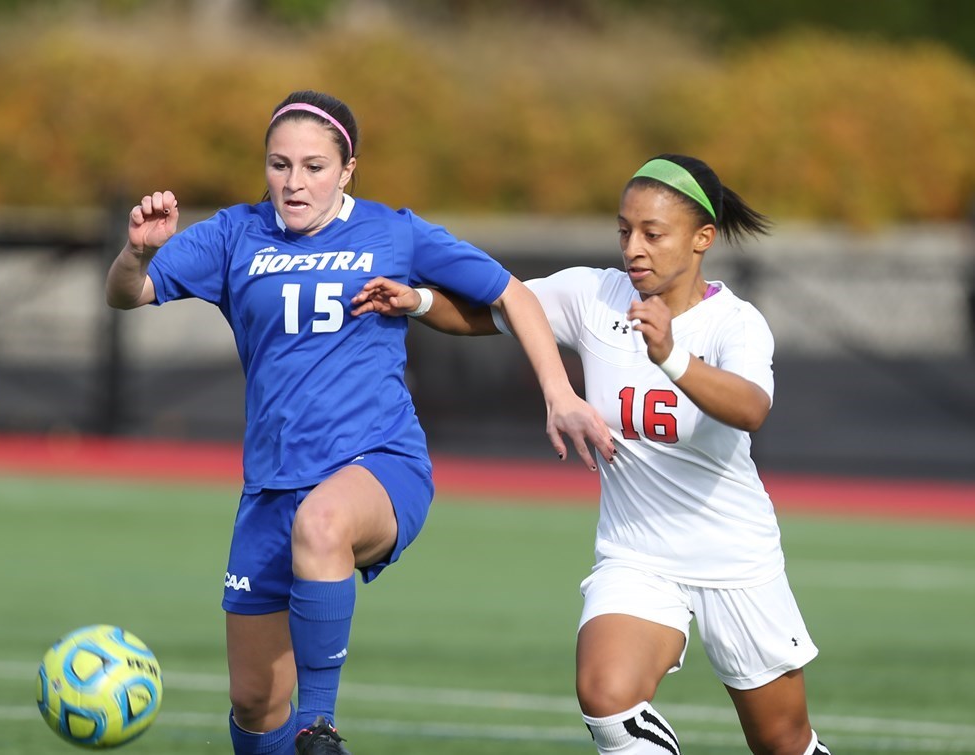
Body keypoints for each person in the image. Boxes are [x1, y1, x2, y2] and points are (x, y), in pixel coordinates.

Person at [104, 89, 613, 755]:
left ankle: (322, 728)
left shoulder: (392, 231)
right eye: (279, 164)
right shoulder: (235, 233)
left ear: (347, 170)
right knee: (255, 703)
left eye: (314, 166)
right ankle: (294, 731)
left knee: (323, 522)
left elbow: (510, 292)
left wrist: (559, 390)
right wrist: (137, 254)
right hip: (269, 489)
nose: (294, 182)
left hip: (378, 463)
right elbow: (127, 294)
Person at [351, 154, 832, 755]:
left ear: (702, 238)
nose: (635, 247)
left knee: (783, 741)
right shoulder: (593, 294)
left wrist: (672, 356)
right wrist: (417, 302)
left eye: (653, 234)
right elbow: (500, 310)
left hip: (734, 558)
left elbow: (751, 408)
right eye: (625, 230)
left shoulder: (734, 323)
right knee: (607, 695)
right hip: (637, 556)